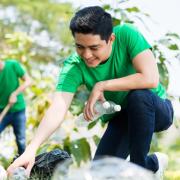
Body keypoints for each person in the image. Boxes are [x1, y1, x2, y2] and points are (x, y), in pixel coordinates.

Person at [7, 6, 173, 178]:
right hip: (122, 118)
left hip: (155, 108)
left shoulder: (127, 34)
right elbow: (58, 107)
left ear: (111, 39)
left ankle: (142, 172)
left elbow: (150, 78)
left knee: (139, 96)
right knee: (99, 174)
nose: (86, 55)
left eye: (94, 48)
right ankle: (153, 164)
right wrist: (31, 149)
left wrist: (101, 85)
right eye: (80, 47)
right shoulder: (74, 66)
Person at [0, 59, 31, 155]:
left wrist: (15, 93)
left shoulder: (12, 65)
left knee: (21, 140)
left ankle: (23, 166)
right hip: (2, 112)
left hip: (18, 110)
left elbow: (28, 81)